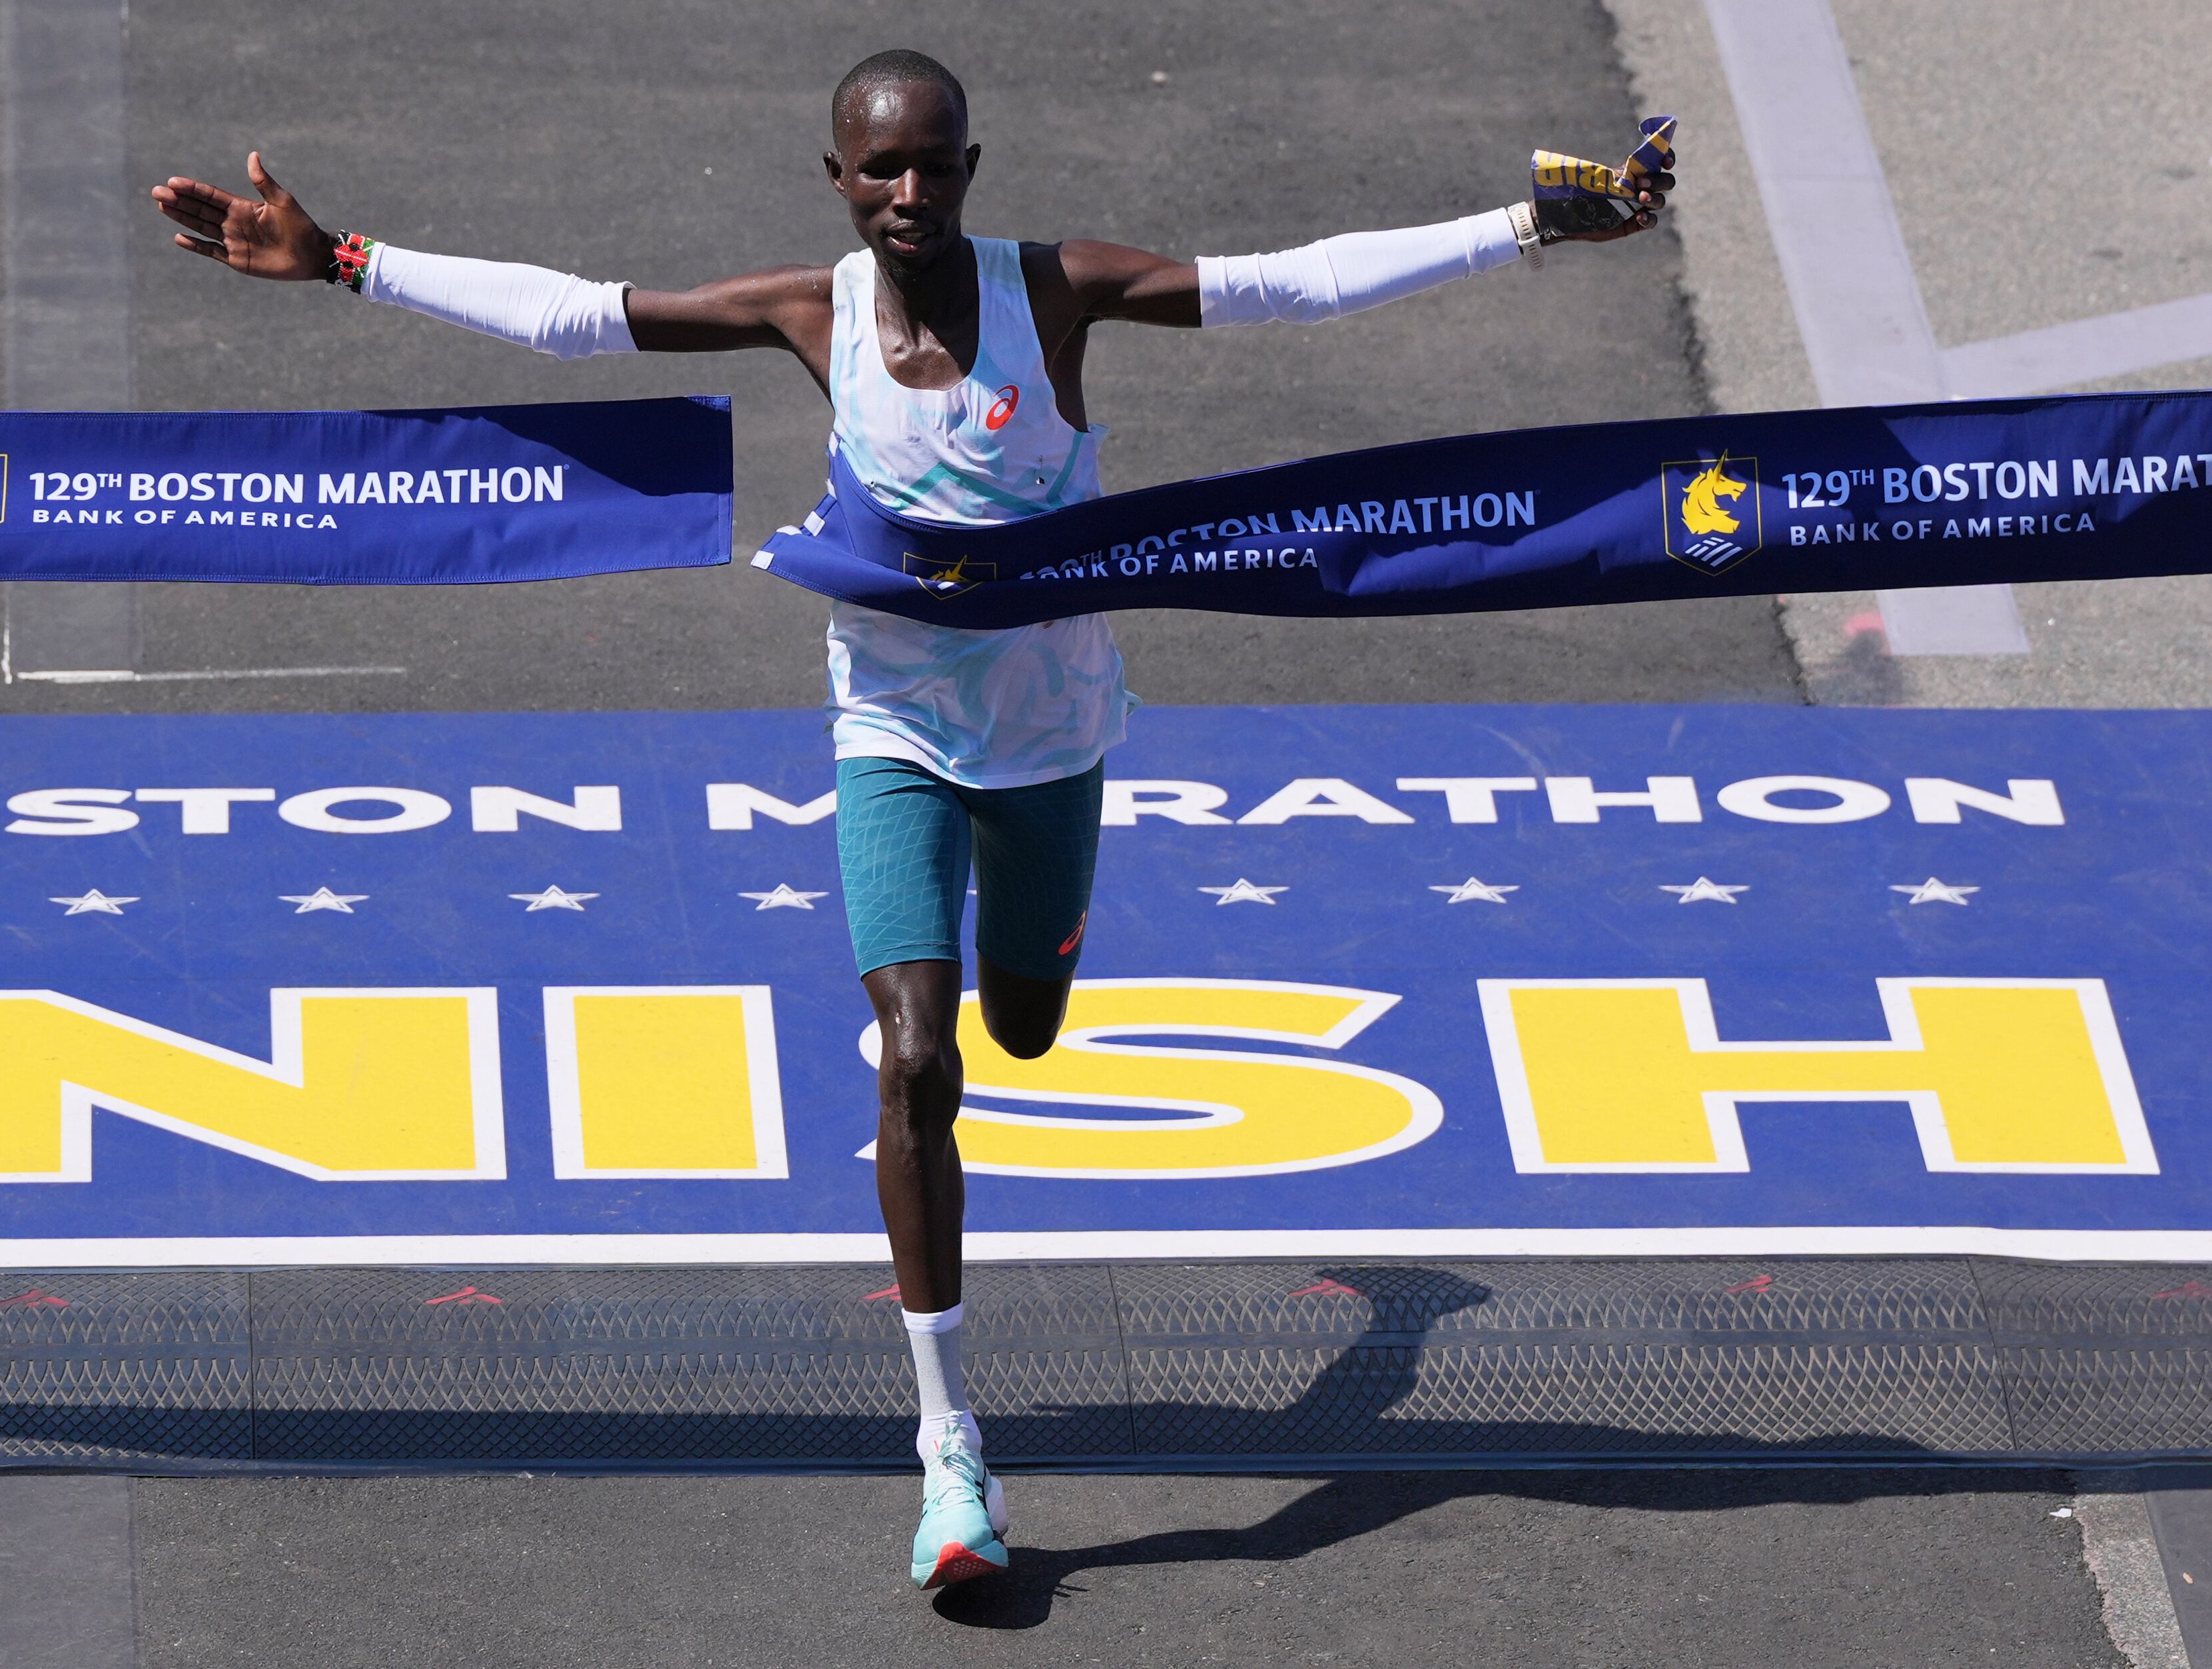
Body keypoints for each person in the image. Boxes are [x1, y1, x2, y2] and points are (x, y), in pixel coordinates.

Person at [150, 47, 1669, 1589]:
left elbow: (1290, 285)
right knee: (921, 1058)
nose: (905, 192)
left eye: (932, 164)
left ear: (970, 166)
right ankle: (952, 1451)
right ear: (836, 179)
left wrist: (1535, 227)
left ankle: (1018, 973)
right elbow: (577, 312)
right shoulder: (811, 313)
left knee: (1021, 1026)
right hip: (889, 734)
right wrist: (340, 260)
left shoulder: (1057, 292)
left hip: (1052, 741)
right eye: (876, 168)